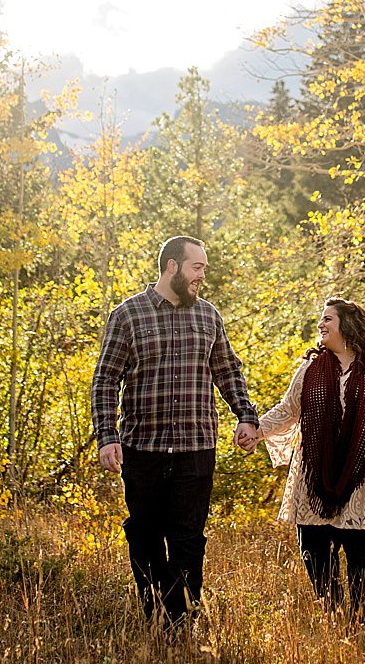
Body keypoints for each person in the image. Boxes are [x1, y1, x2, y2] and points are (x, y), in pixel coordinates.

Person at [91, 235, 261, 629]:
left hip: (195, 448)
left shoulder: (208, 316)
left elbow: (228, 371)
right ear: (172, 266)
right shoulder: (128, 315)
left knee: (187, 539)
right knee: (144, 535)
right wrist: (107, 435)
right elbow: (105, 380)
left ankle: (180, 622)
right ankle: (154, 613)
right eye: (197, 267)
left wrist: (246, 416)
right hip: (142, 450)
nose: (203, 275)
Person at [256, 297, 365, 623]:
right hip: (315, 477)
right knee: (314, 552)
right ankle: (333, 617)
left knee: (364, 557)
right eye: (321, 319)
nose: (321, 325)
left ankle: (364, 624)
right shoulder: (310, 368)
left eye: (328, 319)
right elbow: (288, 411)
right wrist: (255, 431)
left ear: (347, 324)